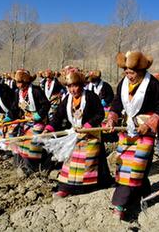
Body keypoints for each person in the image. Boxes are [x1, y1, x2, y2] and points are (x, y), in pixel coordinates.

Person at [106, 51, 159, 219]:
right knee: (125, 165)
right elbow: (117, 103)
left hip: (145, 132)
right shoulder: (123, 84)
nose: (128, 75)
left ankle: (120, 204)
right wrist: (112, 118)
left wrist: (148, 124)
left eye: (131, 72)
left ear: (140, 71)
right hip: (127, 131)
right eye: (126, 72)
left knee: (136, 166)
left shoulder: (152, 84)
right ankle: (142, 194)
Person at [44, 69, 112, 197]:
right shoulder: (67, 100)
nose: (72, 90)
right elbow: (58, 116)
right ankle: (65, 188)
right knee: (70, 161)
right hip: (75, 134)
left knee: (90, 163)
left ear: (81, 85)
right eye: (69, 86)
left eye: (75, 86)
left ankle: (89, 187)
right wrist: (49, 128)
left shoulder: (91, 97)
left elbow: (100, 114)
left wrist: (87, 125)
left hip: (91, 134)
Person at [10, 69, 51, 174]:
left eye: (20, 82)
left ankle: (34, 166)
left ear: (26, 81)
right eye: (17, 82)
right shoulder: (18, 93)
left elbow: (46, 104)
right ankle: (21, 164)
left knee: (31, 144)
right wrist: (9, 117)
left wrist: (38, 115)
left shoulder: (36, 91)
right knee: (18, 140)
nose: (18, 85)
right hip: (26, 121)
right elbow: (14, 107)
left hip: (39, 121)